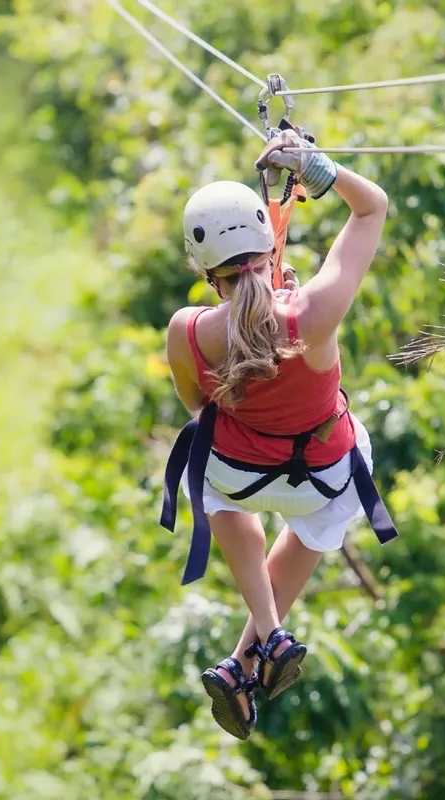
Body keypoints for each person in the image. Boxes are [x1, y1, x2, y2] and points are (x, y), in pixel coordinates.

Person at [162, 128, 396, 740]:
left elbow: (198, 406)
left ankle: (262, 643)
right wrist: (319, 170)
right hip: (324, 475)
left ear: (204, 269)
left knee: (204, 465)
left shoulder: (186, 332)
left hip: (240, 475)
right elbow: (373, 206)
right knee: (319, 519)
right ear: (270, 245)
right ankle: (256, 647)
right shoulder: (313, 313)